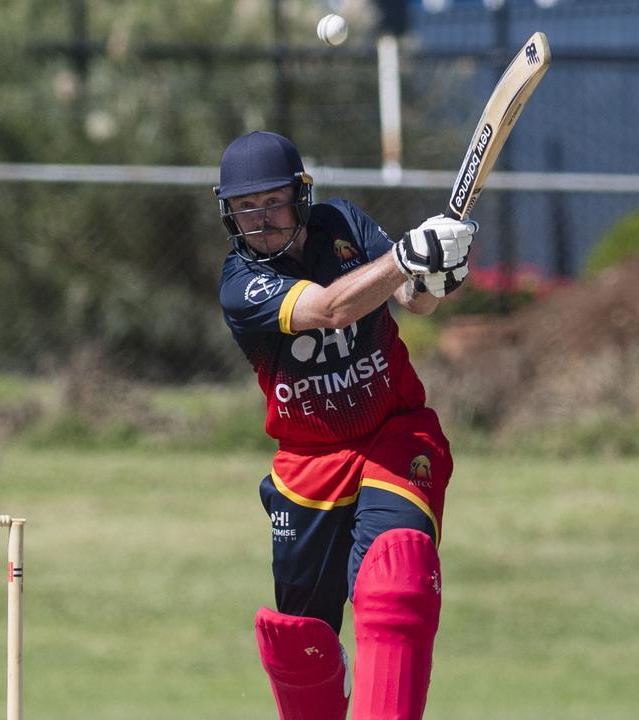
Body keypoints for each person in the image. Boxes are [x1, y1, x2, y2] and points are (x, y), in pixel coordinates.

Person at [213, 131, 476, 720]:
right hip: (310, 465)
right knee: (300, 643)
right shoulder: (240, 283)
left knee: (397, 579)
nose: (261, 221)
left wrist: (436, 272)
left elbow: (414, 297)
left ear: (301, 195)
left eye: (273, 202)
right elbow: (331, 309)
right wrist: (409, 255)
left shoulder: (342, 224)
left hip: (394, 432)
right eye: (245, 209)